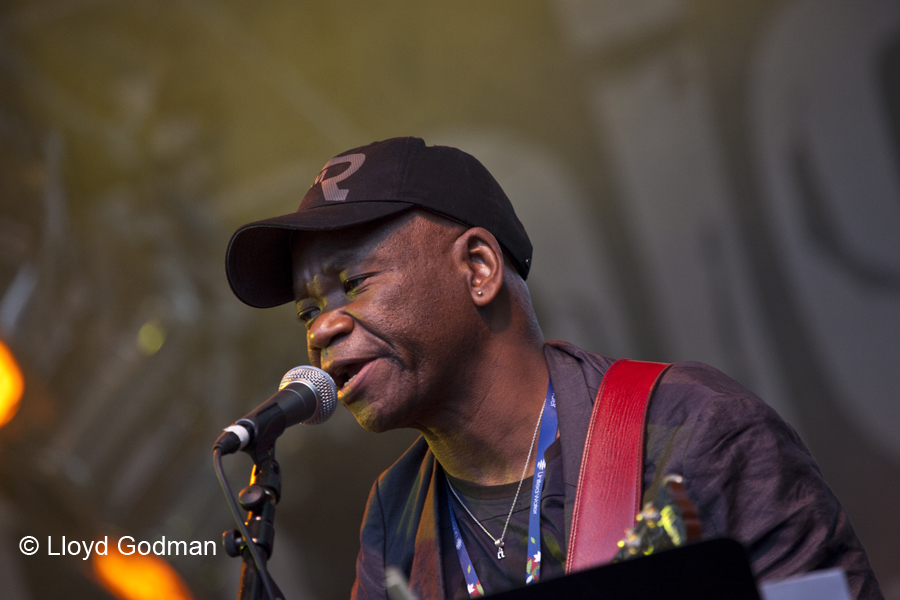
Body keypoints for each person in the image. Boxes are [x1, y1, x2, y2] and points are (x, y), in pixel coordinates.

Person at [224, 137, 882, 599]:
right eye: (308, 312)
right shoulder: (394, 516)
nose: (325, 328)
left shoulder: (693, 429)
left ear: (478, 269)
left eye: (354, 283)